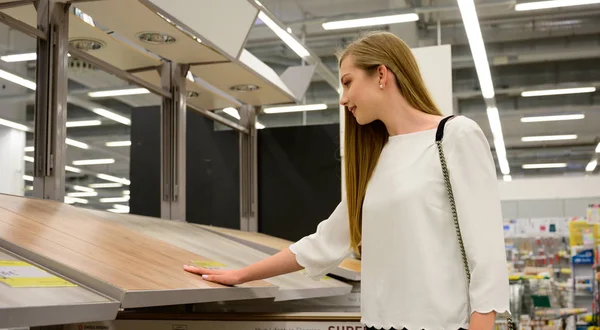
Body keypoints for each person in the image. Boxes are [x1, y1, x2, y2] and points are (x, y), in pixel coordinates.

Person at [184, 31, 510, 330]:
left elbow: (487, 255)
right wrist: (240, 274)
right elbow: (325, 242)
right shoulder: (375, 157)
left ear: (381, 74)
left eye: (347, 82)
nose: (342, 98)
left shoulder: (454, 136)